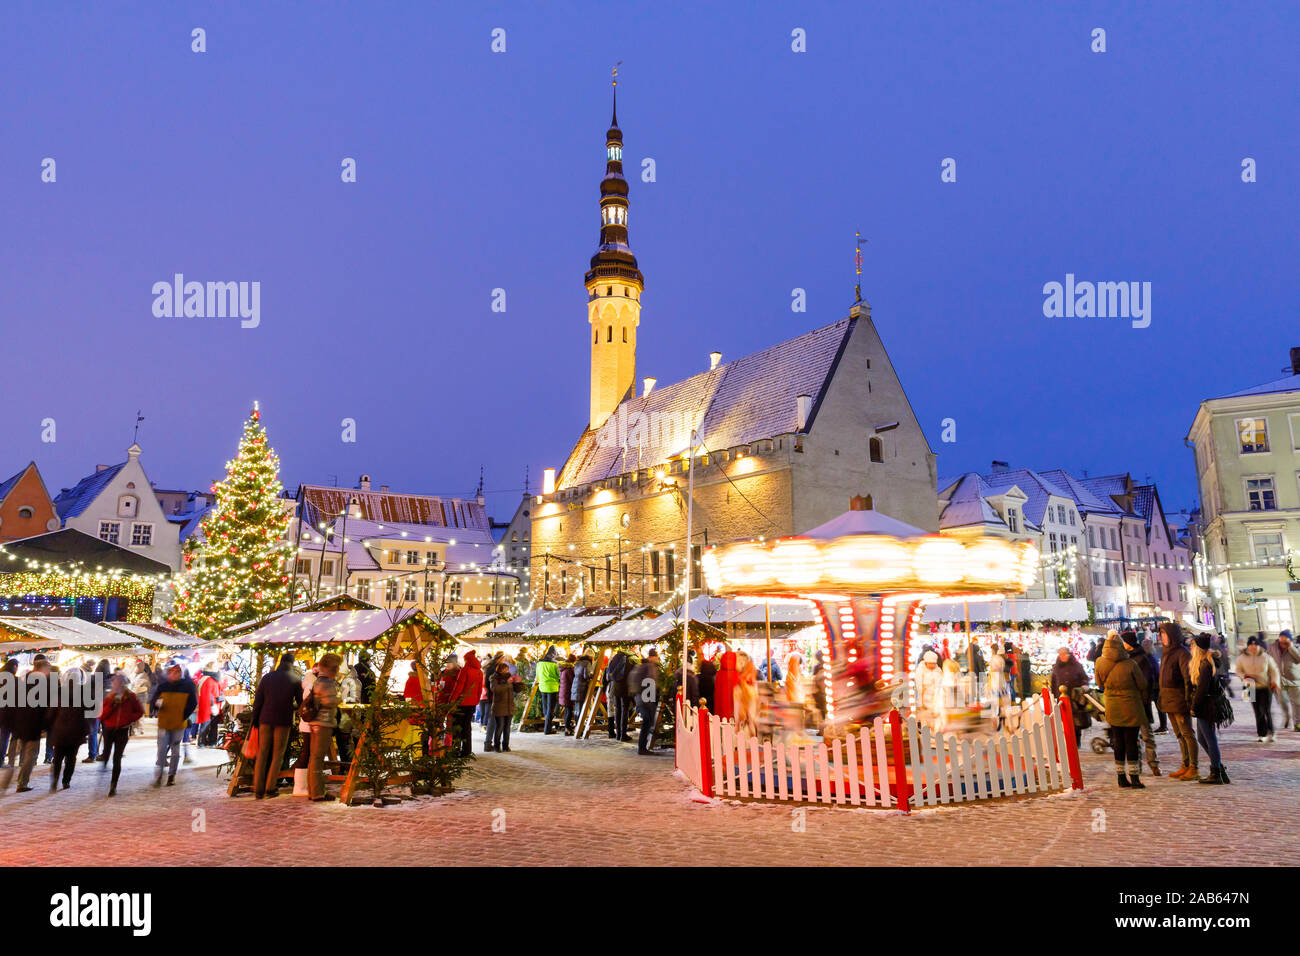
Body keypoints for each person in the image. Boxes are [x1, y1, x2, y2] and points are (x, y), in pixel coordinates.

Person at [1094, 629, 1148, 789]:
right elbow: (1142, 684)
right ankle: (1135, 778)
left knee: (1118, 742)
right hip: (1131, 706)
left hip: (1112, 706)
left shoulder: (1100, 662)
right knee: (1131, 742)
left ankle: (1121, 777)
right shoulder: (1131, 664)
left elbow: (1099, 683)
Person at [250, 652, 301, 799]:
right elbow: (300, 702)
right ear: (292, 663)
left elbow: (258, 701)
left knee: (263, 752)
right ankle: (270, 788)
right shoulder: (295, 679)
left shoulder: (267, 677)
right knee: (278, 754)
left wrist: (255, 719)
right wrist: (291, 706)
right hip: (283, 720)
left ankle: (258, 789)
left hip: (265, 719)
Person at [1157, 622, 1198, 781]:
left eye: (1164, 634)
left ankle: (1193, 767)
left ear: (1172, 636)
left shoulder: (1182, 653)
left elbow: (1188, 679)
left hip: (1180, 700)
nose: (1162, 637)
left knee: (1187, 734)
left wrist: (1188, 700)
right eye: (1161, 634)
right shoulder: (1166, 652)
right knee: (1179, 735)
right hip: (1168, 700)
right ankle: (1185, 764)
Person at [1190, 635, 1230, 784]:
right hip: (1207, 703)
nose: (1191, 648)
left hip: (1206, 705)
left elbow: (1202, 689)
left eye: (1193, 646)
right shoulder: (1205, 662)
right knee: (1202, 738)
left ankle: (1216, 773)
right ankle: (1219, 768)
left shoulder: (1206, 664)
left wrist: (1194, 706)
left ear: (1198, 649)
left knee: (1210, 739)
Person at [1122, 630, 1161, 776]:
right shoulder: (1126, 658)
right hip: (1130, 702)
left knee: (1147, 736)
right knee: (1134, 738)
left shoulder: (1140, 659)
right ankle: (1136, 765)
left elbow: (1146, 683)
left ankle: (1153, 764)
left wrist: (1144, 702)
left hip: (1141, 704)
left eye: (1124, 642)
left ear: (1129, 644)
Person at [99, 672, 144, 796]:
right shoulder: (109, 696)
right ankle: (104, 765)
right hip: (109, 730)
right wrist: (112, 704)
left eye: (119, 682)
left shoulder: (131, 696)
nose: (117, 684)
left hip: (122, 730)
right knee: (107, 751)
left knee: (117, 758)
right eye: (115, 682)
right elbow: (102, 715)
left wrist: (129, 718)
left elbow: (140, 711)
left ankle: (113, 785)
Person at [304, 653, 342, 802]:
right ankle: (317, 793)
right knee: (317, 758)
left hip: (315, 723)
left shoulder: (318, 681)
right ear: (333, 668)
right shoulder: (328, 683)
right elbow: (333, 701)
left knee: (314, 757)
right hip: (324, 723)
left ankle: (313, 790)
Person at [153, 661, 197, 787]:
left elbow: (192, 703)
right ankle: (159, 775)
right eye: (172, 672)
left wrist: (183, 716)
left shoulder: (188, 686)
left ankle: (171, 775)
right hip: (164, 722)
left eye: (177, 672)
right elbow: (154, 701)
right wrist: (157, 706)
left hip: (178, 723)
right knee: (161, 750)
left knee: (175, 750)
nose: (174, 674)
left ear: (181, 673)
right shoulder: (163, 686)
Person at [48, 670, 89, 791]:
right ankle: (66, 781)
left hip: (60, 730)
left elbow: (51, 713)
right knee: (71, 759)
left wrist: (49, 726)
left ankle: (55, 781)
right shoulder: (83, 692)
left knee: (58, 758)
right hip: (76, 731)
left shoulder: (59, 691)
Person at [1236, 636, 1281, 742]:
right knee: (1257, 711)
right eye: (1251, 645)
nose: (1253, 647)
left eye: (1255, 645)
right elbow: (1238, 671)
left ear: (1259, 646)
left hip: (1265, 687)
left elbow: (1274, 670)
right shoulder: (1242, 658)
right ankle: (1261, 734)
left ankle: (1271, 732)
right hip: (1250, 687)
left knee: (1266, 710)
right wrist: (1244, 676)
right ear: (1248, 646)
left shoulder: (1266, 657)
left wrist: (1275, 681)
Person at [1049, 646, 1089, 748]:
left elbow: (1084, 678)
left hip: (1075, 698)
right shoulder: (1056, 667)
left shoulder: (1077, 666)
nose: (1062, 657)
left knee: (1076, 722)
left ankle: (1076, 742)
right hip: (1061, 698)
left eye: (1064, 654)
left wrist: (1084, 686)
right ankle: (1067, 741)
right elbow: (1053, 682)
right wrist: (1053, 696)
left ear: (1069, 655)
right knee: (1064, 721)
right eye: (1060, 655)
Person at [628, 648, 662, 754]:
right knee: (647, 722)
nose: (657, 659)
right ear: (652, 657)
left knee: (647, 722)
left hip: (641, 698)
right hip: (646, 698)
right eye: (656, 657)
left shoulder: (640, 666)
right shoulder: (649, 667)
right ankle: (642, 748)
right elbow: (651, 683)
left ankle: (643, 747)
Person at [450, 650, 483, 757]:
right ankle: (466, 751)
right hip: (472, 703)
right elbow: (479, 690)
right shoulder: (479, 672)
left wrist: (452, 701)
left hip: (461, 703)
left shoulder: (465, 670)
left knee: (457, 727)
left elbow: (458, 687)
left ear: (467, 660)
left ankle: (455, 751)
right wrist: (476, 701)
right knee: (467, 727)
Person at [1267, 630, 1300, 731]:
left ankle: (1297, 723)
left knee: (1297, 703)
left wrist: (1291, 648)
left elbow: (1299, 659)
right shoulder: (1272, 647)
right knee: (1282, 702)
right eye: (1282, 637)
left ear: (1289, 639)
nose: (1283, 639)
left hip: (1293, 679)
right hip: (1279, 680)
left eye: (1286, 637)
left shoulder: (1295, 647)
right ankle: (1286, 718)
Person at [604, 649, 631, 740]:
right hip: (624, 687)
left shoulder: (614, 659)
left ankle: (618, 734)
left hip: (614, 687)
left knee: (618, 710)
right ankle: (623, 734)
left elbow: (608, 675)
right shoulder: (627, 659)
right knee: (624, 710)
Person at [488, 661, 515, 752]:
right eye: (505, 669)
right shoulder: (494, 678)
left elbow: (516, 689)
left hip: (509, 706)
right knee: (500, 727)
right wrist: (507, 684)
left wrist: (519, 683)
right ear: (500, 669)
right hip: (499, 706)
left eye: (507, 669)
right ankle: (496, 746)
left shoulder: (509, 677)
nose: (507, 671)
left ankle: (505, 746)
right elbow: (495, 689)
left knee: (507, 728)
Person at [911, 651, 943, 728]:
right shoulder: (920, 670)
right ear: (926, 662)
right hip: (924, 700)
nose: (932, 665)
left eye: (933, 663)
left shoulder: (938, 670)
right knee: (925, 720)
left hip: (935, 700)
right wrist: (922, 701)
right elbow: (919, 686)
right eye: (930, 663)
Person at [535, 646, 560, 734]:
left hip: (542, 687)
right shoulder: (554, 664)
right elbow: (558, 676)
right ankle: (547, 729)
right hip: (552, 687)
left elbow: (537, 675)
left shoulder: (539, 663)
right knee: (551, 709)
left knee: (545, 708)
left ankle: (547, 726)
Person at [733, 650, 758, 737]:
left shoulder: (740, 684)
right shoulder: (752, 686)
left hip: (742, 719)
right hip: (749, 718)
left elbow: (737, 705)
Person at [568, 650, 593, 734]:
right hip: (582, 687)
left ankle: (577, 726)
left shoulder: (578, 662)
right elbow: (586, 675)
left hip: (575, 686)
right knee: (581, 709)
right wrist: (592, 675)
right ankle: (580, 728)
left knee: (577, 709)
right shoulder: (587, 663)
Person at [0, 658, 18, 766]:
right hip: (9, 713)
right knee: (6, 737)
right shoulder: (15, 680)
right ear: (14, 667)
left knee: (3, 736)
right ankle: (5, 760)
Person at [558, 653, 575, 733]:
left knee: (567, 710)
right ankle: (567, 728)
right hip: (567, 692)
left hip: (563, 692)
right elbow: (572, 681)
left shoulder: (563, 669)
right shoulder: (569, 670)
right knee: (569, 710)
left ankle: (567, 728)